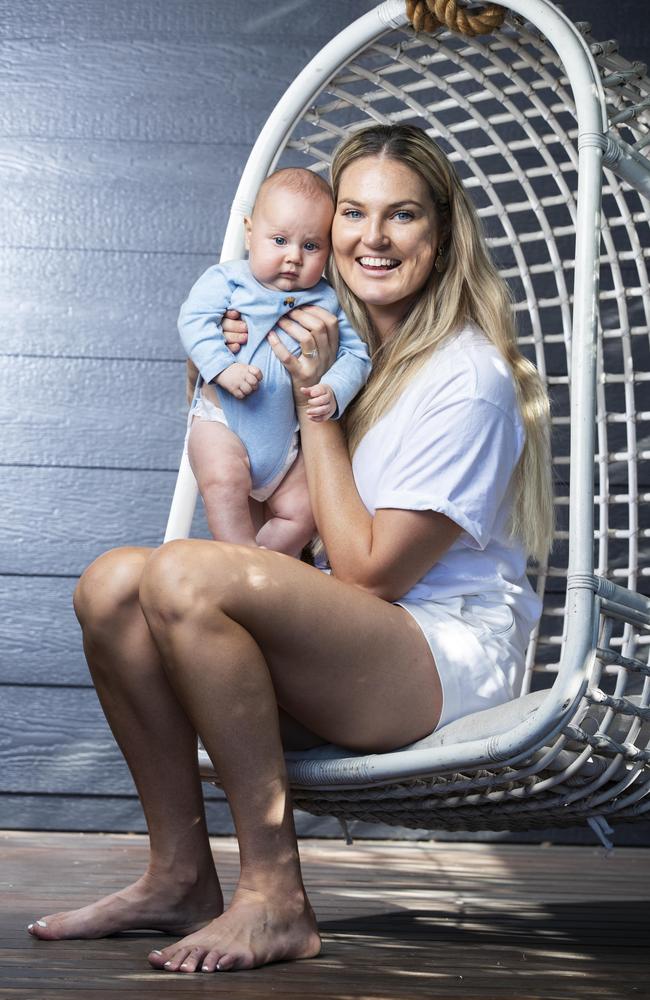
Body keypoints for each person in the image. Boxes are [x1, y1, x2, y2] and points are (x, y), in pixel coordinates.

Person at [27, 124, 553, 973]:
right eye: (353, 212)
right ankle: (179, 876)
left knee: (186, 573)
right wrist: (238, 391)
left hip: (439, 655)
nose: (371, 239)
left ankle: (276, 898)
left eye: (403, 216)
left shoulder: (470, 379)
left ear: (443, 235)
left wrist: (314, 410)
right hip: (351, 636)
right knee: (113, 583)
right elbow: (270, 481)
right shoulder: (338, 342)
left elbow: (371, 571)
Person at [179, 168, 371, 553]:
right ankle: (239, 559)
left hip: (287, 445)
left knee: (305, 509)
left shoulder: (327, 300)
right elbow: (193, 320)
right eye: (280, 240)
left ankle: (262, 567)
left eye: (311, 246)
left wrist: (334, 389)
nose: (293, 258)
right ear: (250, 233)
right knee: (222, 481)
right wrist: (221, 367)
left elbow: (358, 356)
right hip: (223, 425)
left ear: (329, 249)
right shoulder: (228, 281)